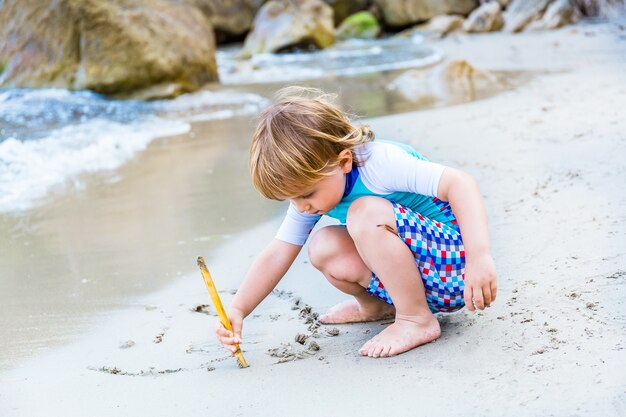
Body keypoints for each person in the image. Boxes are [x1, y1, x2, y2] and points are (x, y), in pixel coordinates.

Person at [214, 87, 497, 358]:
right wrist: (238, 310)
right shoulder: (319, 186)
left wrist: (479, 258)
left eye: (306, 195)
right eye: (291, 200)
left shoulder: (380, 163)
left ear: (344, 161)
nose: (302, 207)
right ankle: (379, 307)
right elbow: (278, 251)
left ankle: (416, 319)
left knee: (364, 213)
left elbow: (460, 184)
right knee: (324, 245)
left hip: (456, 271)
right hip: (420, 279)